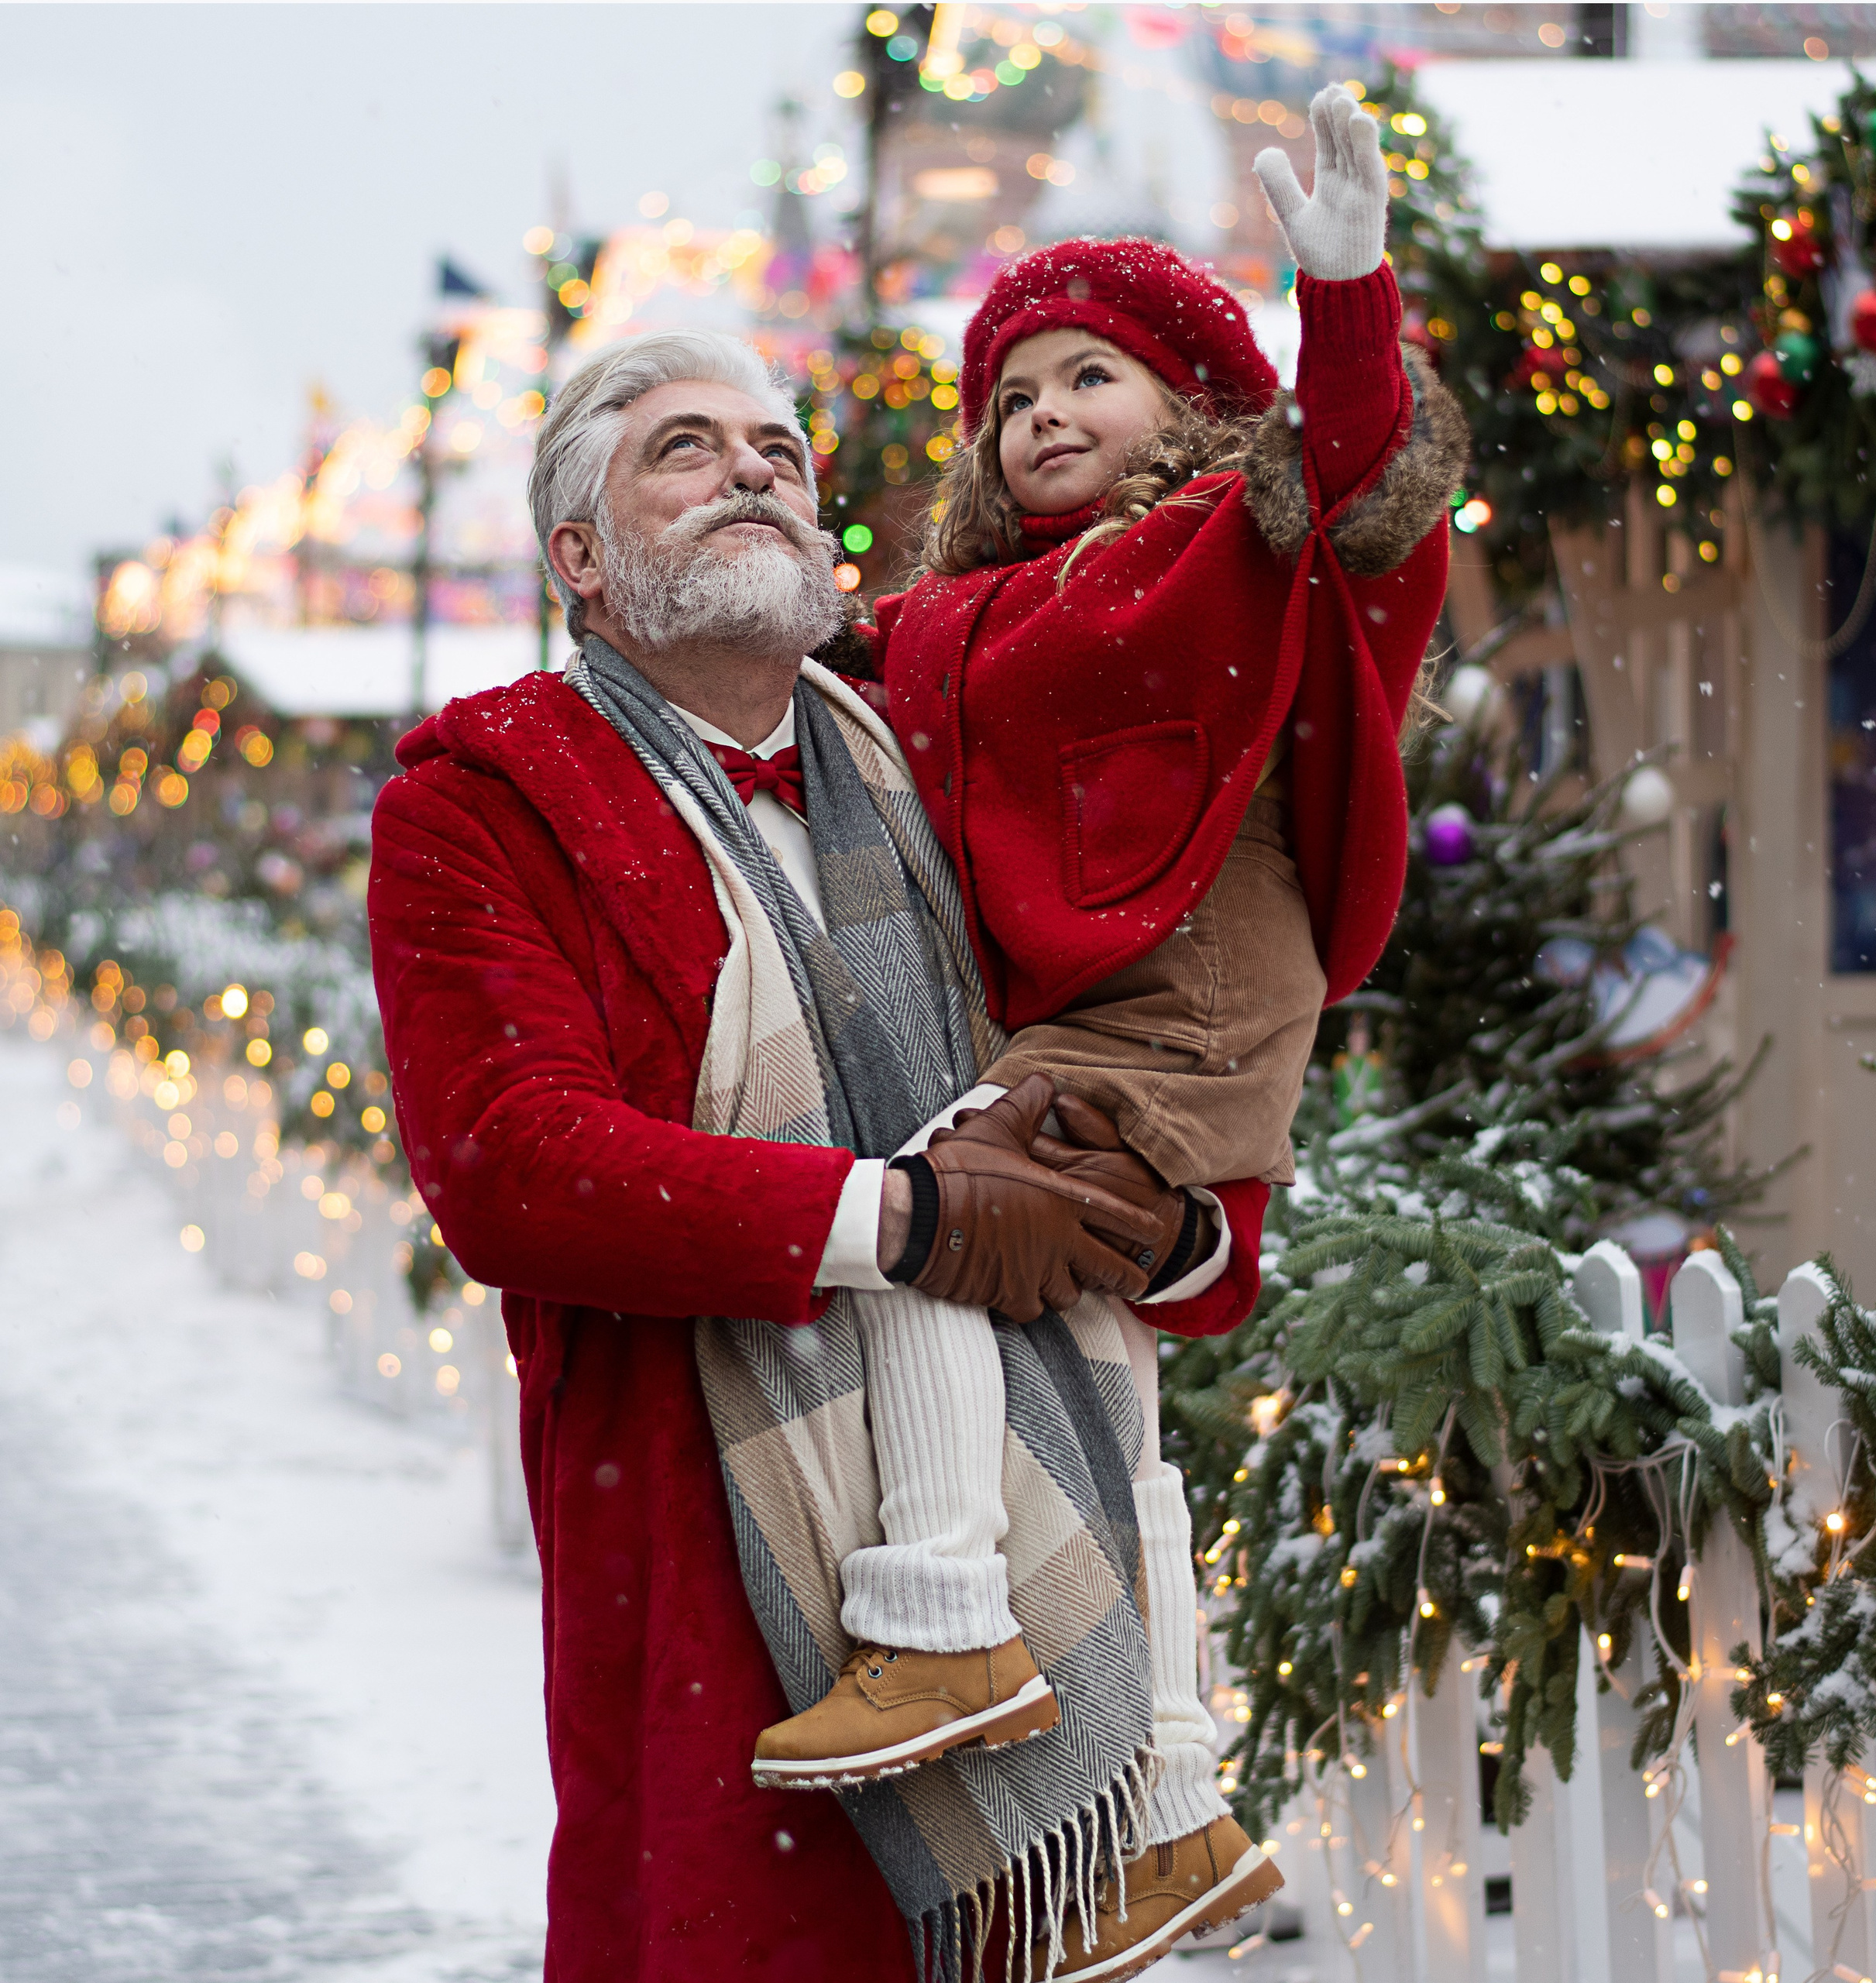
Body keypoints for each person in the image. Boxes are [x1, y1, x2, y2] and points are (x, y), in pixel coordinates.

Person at [367, 325, 1272, 1982]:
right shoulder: (485, 795)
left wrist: (1161, 1222)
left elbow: (1142, 995)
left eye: (776, 448)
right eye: (685, 449)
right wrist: (906, 1220)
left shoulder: (925, 742)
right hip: (711, 1514)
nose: (754, 471)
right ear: (579, 556)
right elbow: (511, 1159)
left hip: (1021, 1472)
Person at [764, 85, 1466, 1979]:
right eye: (1014, 393)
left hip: (1191, 1019)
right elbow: (842, 652)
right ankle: (1168, 1811)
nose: (1048, 413)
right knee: (1092, 1399)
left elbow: (1367, 489)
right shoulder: (970, 609)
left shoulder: (1241, 546)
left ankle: (937, 1617)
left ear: (1194, 407)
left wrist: (1345, 296)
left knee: (916, 1216)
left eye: (1095, 375)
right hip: (1082, 1027)